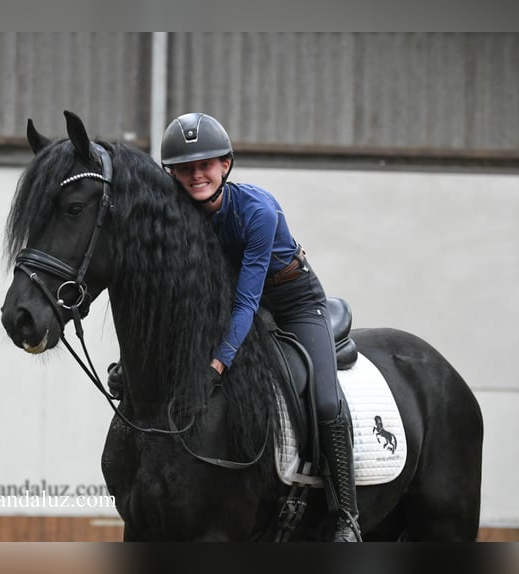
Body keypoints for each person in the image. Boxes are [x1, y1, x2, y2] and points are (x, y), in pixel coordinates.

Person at [158, 112, 361, 542]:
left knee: (325, 401)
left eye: (206, 165)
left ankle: (346, 516)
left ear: (226, 165)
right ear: (172, 174)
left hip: (294, 302)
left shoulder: (257, 210)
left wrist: (217, 363)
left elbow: (249, 300)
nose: (197, 176)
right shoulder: (182, 216)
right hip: (238, 304)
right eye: (186, 169)